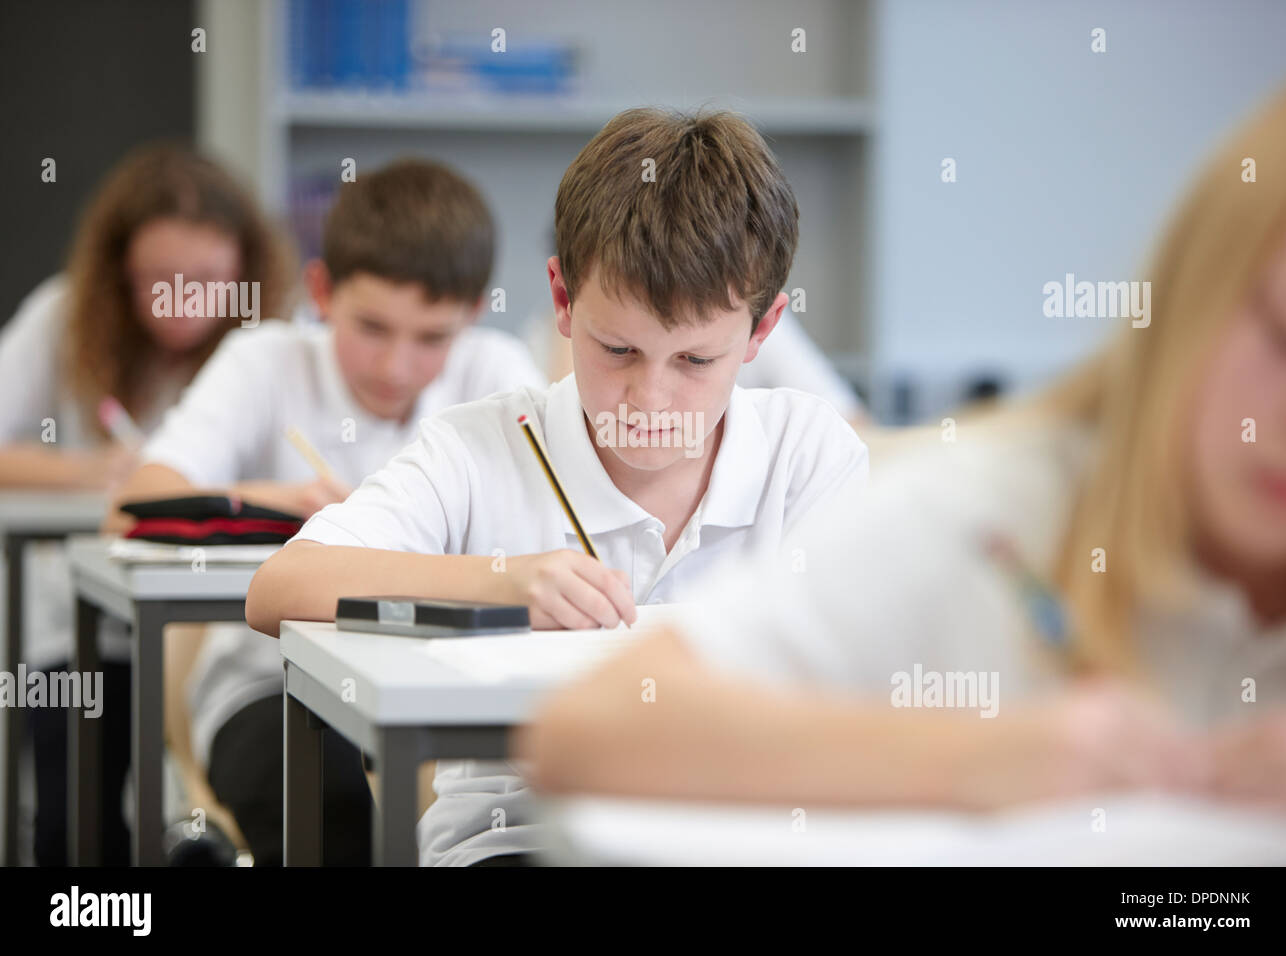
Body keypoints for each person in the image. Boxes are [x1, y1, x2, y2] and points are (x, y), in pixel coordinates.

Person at [521, 78, 1286, 822]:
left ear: (761, 327)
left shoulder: (808, 437)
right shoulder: (993, 506)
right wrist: (977, 758)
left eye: (693, 358)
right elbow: (591, 729)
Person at [247, 108, 871, 864]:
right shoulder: (485, 445)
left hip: (738, 835)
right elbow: (280, 588)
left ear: (764, 331)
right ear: (564, 299)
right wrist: (502, 581)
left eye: (695, 362)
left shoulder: (808, 455)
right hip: (521, 838)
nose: (650, 399)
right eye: (618, 349)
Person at [108, 158, 545, 864]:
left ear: (473, 313)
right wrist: (275, 504)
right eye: (371, 327)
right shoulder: (265, 362)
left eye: (432, 337)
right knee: (335, 812)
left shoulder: (495, 374)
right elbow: (133, 505)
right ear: (321, 290)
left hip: (449, 692)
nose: (397, 365)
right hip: (271, 686)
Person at [0, 143, 294, 866]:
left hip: (225, 639)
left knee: (217, 823)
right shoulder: (62, 318)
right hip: (82, 634)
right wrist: (94, 472)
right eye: (156, 281)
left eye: (206, 281)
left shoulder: (272, 343)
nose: (182, 304)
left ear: (245, 270)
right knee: (77, 828)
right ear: (116, 275)